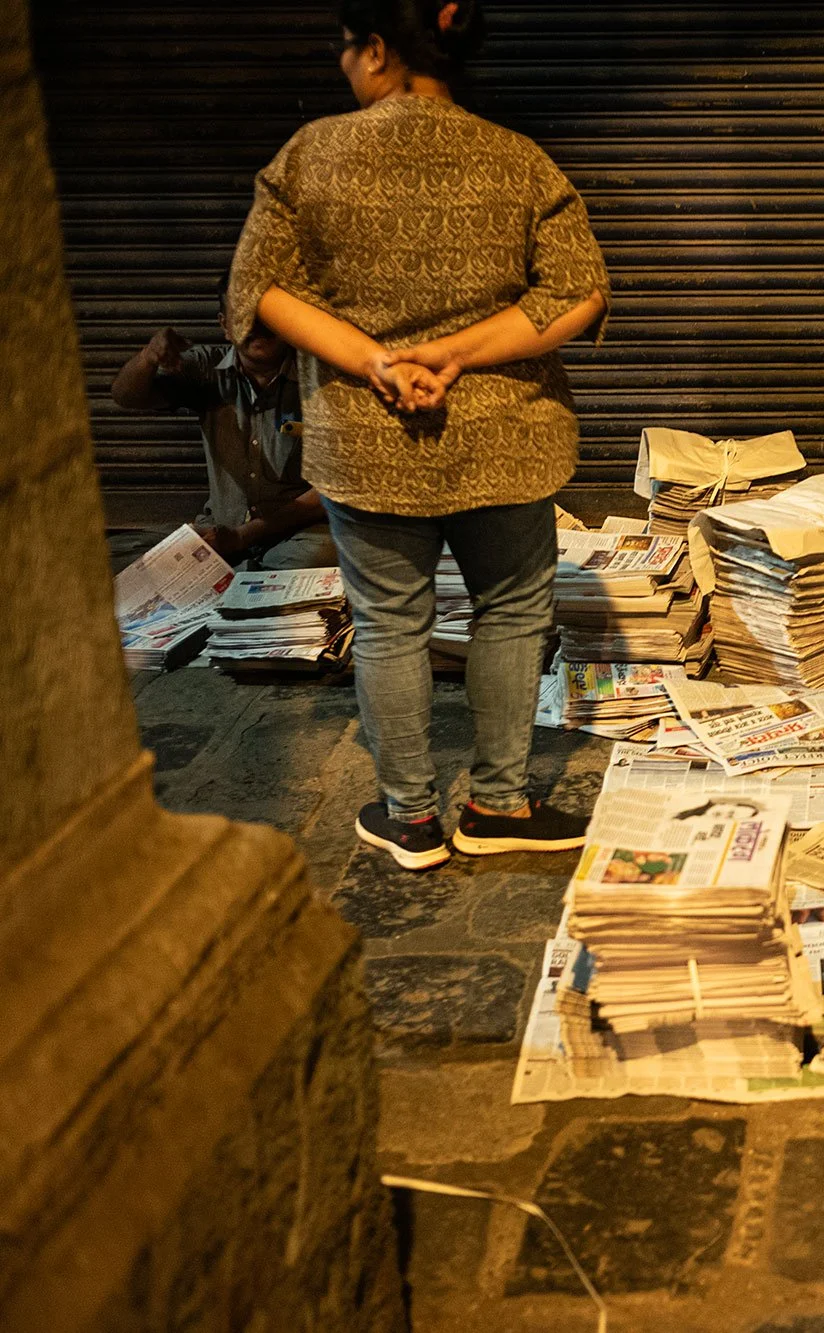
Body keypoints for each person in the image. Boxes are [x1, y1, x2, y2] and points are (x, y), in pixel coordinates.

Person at [226, 0, 609, 871]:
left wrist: (380, 364)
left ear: (376, 52)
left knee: (391, 624)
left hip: (366, 443)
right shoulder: (519, 158)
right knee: (511, 614)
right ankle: (499, 804)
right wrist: (457, 354)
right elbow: (580, 292)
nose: (342, 67)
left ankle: (412, 820)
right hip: (506, 436)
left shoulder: (310, 154)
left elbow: (256, 290)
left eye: (345, 50)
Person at [109, 277, 336, 569]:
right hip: (217, 531)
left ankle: (231, 578)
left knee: (325, 552)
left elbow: (329, 490)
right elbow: (126, 396)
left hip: (293, 535)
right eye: (242, 317)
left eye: (266, 317)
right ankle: (238, 577)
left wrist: (244, 536)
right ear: (225, 326)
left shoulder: (322, 378)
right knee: (111, 554)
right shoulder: (206, 367)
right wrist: (148, 357)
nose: (256, 328)